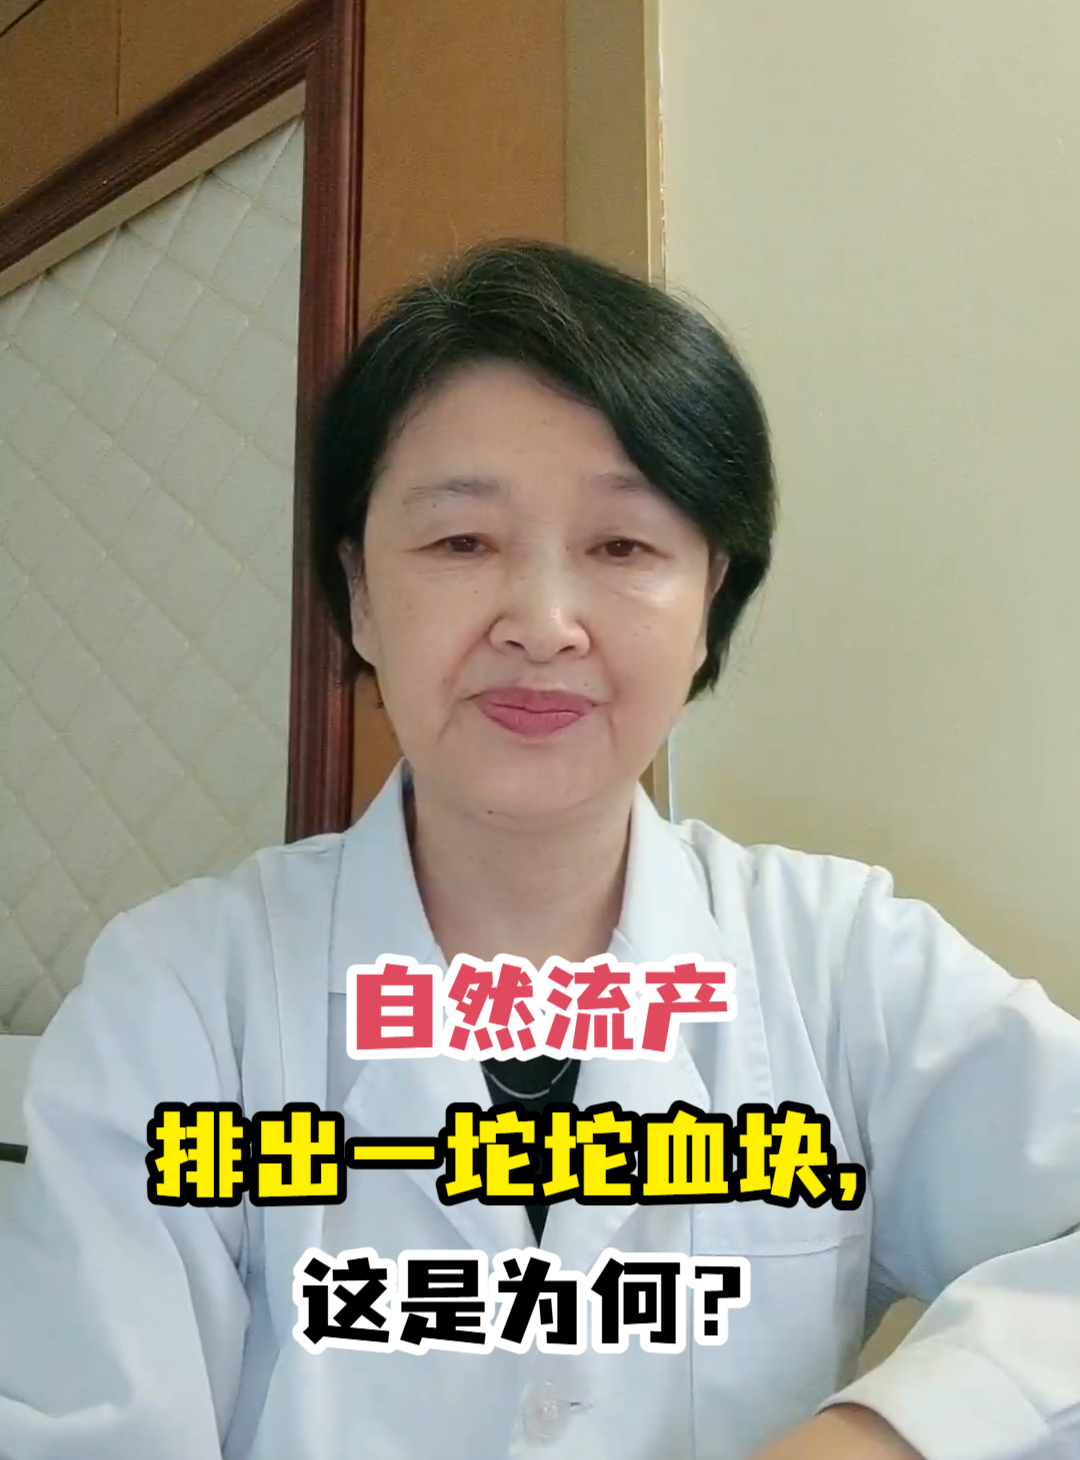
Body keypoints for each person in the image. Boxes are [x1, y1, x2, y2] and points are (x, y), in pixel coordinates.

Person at [0, 239, 1077, 1460]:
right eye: (462, 542)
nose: (544, 623)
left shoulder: (841, 964)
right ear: (359, 593)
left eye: (624, 547)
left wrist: (887, 1433)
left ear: (709, 603)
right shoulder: (182, 997)